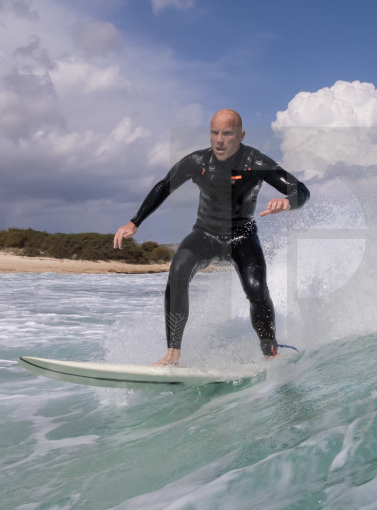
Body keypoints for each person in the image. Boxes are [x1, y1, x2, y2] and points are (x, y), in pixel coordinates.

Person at [113, 109, 310, 366]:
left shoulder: (256, 162)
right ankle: (173, 354)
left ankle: (270, 353)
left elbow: (301, 191)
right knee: (178, 272)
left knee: (256, 290)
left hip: (242, 239)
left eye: (227, 133)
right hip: (204, 235)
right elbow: (164, 186)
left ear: (241, 135)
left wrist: (287, 203)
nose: (219, 140)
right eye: (214, 132)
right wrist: (135, 221)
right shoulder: (197, 162)